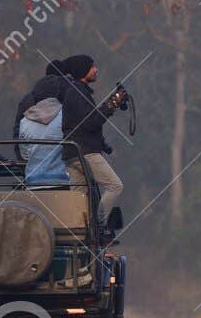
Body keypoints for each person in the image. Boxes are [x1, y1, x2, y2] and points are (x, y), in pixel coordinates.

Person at [13, 54, 126, 220]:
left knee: (79, 198)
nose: (96, 70)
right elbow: (90, 123)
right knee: (115, 186)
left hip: (34, 181)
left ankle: (80, 227)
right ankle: (98, 226)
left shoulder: (25, 120)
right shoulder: (71, 101)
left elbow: (24, 153)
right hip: (80, 157)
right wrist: (111, 104)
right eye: (92, 66)